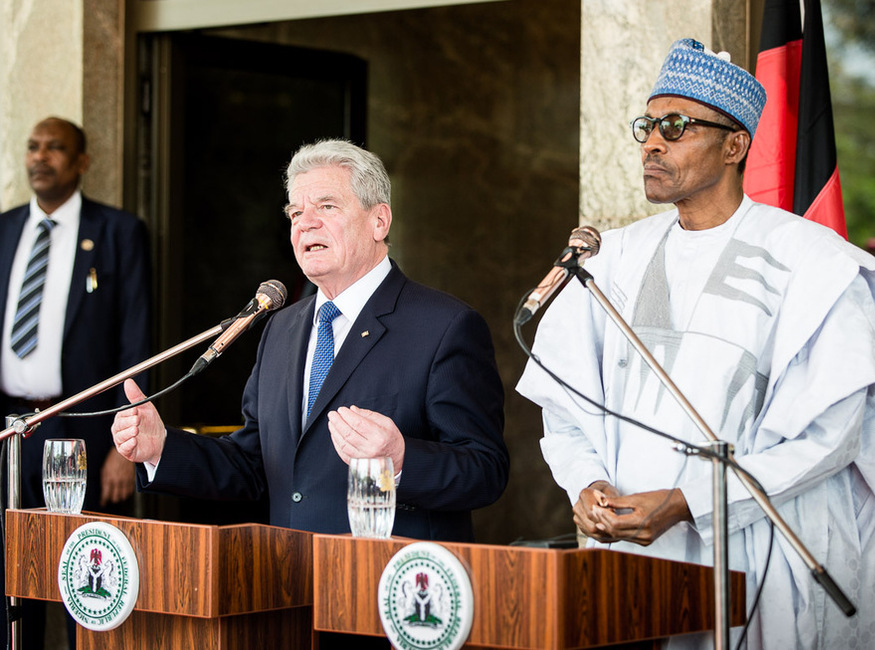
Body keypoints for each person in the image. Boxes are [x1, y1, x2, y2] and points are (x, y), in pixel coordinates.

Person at [517, 39, 875, 649]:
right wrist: (587, 484)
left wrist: (691, 503)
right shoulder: (611, 259)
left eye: (677, 126)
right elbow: (567, 407)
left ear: (735, 146)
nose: (652, 143)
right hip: (625, 558)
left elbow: (831, 436)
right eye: (648, 126)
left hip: (755, 553)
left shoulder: (813, 264)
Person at [111, 138, 509, 542]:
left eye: (327, 206)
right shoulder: (281, 328)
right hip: (288, 580)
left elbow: (485, 470)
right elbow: (254, 464)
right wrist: (161, 448)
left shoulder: (445, 326)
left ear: (379, 221)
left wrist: (402, 458)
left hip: (385, 582)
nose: (305, 223)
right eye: (295, 212)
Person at [1, 117, 151, 648]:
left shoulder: (118, 233)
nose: (41, 157)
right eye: (33, 147)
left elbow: (136, 346)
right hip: (8, 434)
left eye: (56, 148)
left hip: (81, 433)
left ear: (82, 161)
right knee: (11, 587)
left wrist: (122, 447)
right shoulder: (4, 229)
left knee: (88, 585)